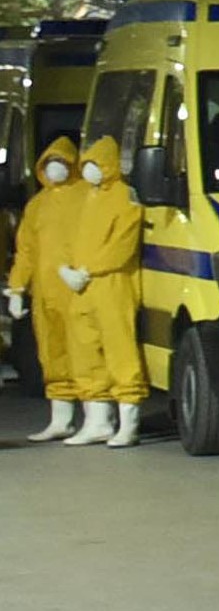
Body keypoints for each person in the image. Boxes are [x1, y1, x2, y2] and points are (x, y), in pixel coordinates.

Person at [55, 135, 149, 448]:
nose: (91, 169)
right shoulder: (88, 199)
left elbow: (122, 245)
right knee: (85, 350)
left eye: (96, 163)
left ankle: (127, 423)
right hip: (83, 287)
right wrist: (66, 267)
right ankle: (97, 421)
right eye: (88, 164)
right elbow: (71, 238)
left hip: (112, 284)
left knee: (119, 350)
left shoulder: (125, 197)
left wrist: (87, 270)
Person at [9, 149, 87, 443]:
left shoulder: (85, 198)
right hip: (45, 294)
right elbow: (26, 251)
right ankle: (61, 419)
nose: (57, 169)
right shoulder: (37, 205)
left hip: (80, 290)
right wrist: (17, 288)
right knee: (52, 354)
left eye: (63, 162)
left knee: (86, 353)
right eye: (50, 163)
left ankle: (99, 417)